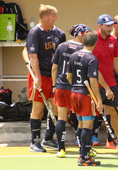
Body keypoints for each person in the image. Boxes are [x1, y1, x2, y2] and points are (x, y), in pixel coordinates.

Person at [25, 4, 66, 152]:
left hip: (54, 76)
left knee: (56, 108)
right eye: (53, 16)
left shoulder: (59, 34)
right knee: (38, 108)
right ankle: (34, 142)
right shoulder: (35, 33)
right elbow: (32, 56)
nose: (55, 18)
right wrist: (37, 78)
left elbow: (61, 57)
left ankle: (48, 138)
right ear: (45, 17)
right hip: (39, 75)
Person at [93, 14, 118, 151]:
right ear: (100, 26)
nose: (110, 28)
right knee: (92, 112)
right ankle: (87, 141)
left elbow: (116, 60)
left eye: (111, 25)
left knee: (114, 112)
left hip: (111, 83)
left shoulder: (113, 40)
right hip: (94, 83)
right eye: (107, 26)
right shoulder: (92, 39)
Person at [52, 24, 90, 157]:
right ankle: (83, 148)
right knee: (80, 119)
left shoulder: (61, 46)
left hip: (61, 86)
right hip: (76, 88)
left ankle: (61, 149)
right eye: (86, 33)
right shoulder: (83, 49)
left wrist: (54, 85)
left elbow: (54, 68)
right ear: (80, 34)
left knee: (61, 118)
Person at [67, 30, 102, 166]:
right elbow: (93, 81)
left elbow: (69, 76)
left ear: (83, 41)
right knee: (88, 126)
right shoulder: (92, 58)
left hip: (74, 93)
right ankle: (85, 157)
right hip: (85, 95)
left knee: (81, 124)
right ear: (95, 43)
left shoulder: (74, 55)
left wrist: (75, 86)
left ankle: (82, 154)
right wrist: (98, 100)